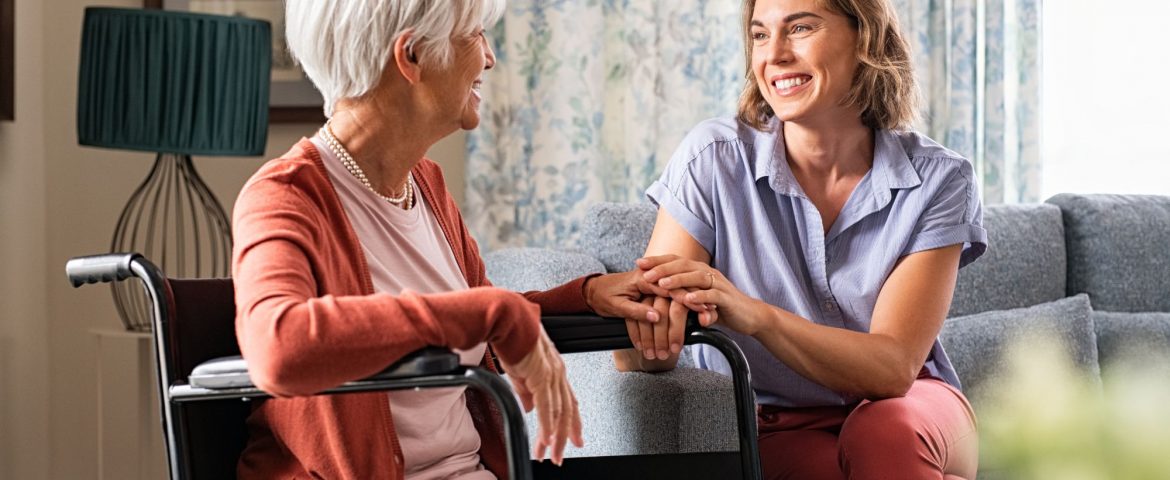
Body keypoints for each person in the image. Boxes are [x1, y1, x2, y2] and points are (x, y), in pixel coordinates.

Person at [232, 1, 656, 479]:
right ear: (411, 55)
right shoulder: (286, 195)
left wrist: (587, 295)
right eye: (474, 35)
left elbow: (468, 318)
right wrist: (489, 312)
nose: (489, 58)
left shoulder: (426, 185)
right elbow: (278, 349)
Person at [616, 0, 988, 478]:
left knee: (883, 433)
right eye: (759, 35)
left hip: (912, 405)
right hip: (777, 422)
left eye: (800, 28)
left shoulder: (940, 180)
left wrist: (758, 317)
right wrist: (642, 329)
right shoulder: (712, 161)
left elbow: (893, 369)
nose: (774, 54)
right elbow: (648, 343)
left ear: (866, 37)